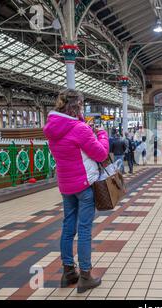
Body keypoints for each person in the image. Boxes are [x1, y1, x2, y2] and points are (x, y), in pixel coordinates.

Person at [43, 89, 108, 293]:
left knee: (68, 228)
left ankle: (68, 272)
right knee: (85, 230)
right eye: (81, 105)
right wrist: (101, 134)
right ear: (77, 105)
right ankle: (86, 275)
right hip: (83, 185)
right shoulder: (80, 129)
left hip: (65, 185)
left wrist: (83, 125)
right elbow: (100, 153)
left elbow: (69, 145)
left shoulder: (52, 128)